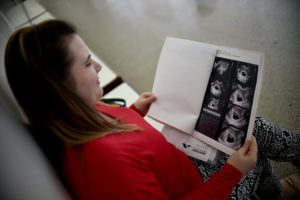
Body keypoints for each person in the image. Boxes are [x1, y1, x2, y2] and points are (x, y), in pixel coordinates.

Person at [4, 19, 299, 200]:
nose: (96, 67)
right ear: (60, 87)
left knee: (243, 125)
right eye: (85, 63)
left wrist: (136, 110)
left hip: (180, 168)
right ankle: (279, 188)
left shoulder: (79, 113)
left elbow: (120, 139)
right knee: (250, 143)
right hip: (195, 189)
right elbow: (120, 159)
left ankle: (283, 174)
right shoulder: (105, 165)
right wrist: (231, 174)